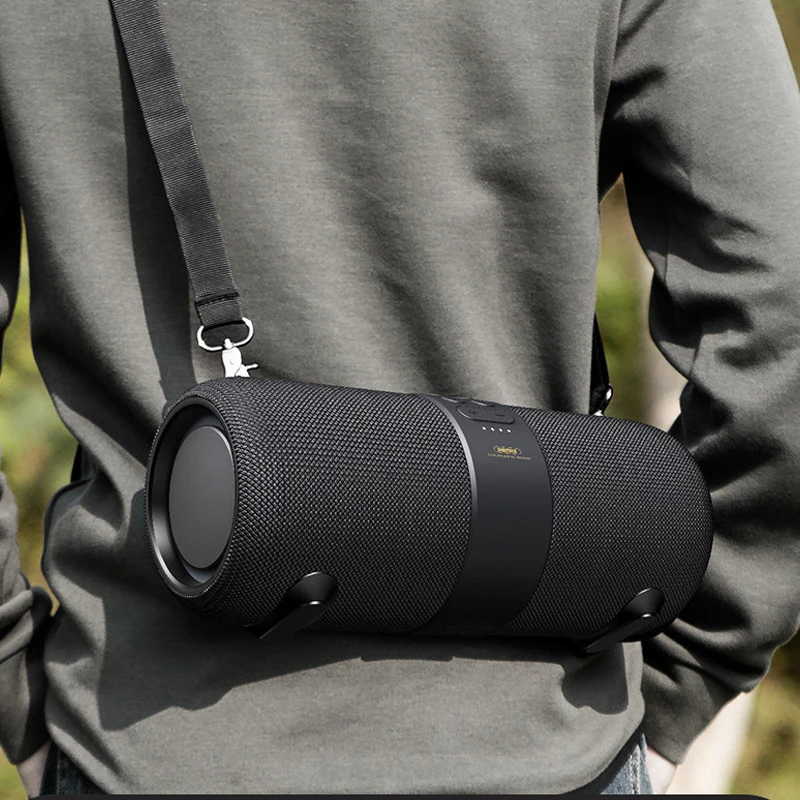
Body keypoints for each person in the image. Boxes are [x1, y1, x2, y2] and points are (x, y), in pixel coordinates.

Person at [2, 0, 799, 795]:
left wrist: (14, 686)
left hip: (145, 743)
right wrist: (690, 670)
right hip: (546, 742)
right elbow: (782, 304)